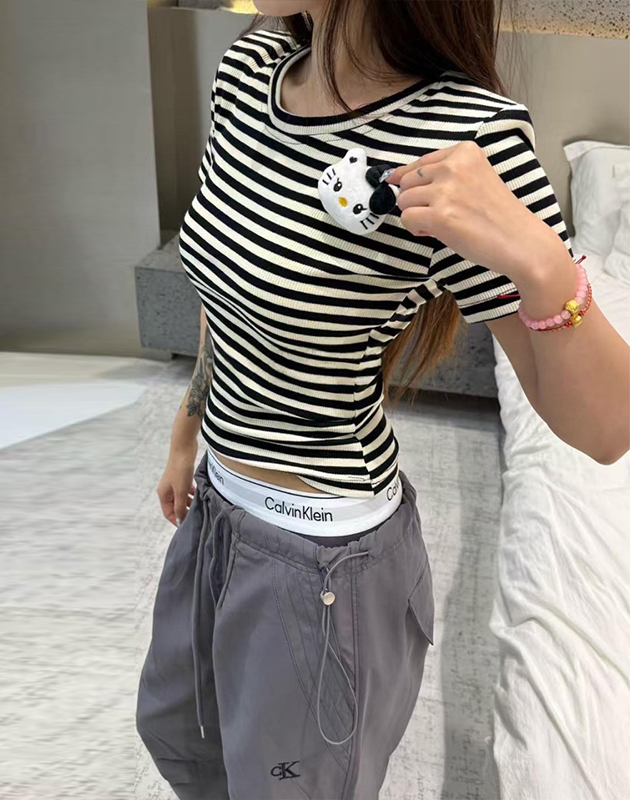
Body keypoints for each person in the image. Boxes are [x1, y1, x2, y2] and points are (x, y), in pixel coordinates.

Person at [136, 2, 630, 798]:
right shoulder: (248, 71)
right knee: (183, 740)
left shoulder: (463, 136)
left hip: (321, 560)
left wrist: (543, 263)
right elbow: (225, 288)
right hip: (216, 509)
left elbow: (607, 428)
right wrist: (186, 431)